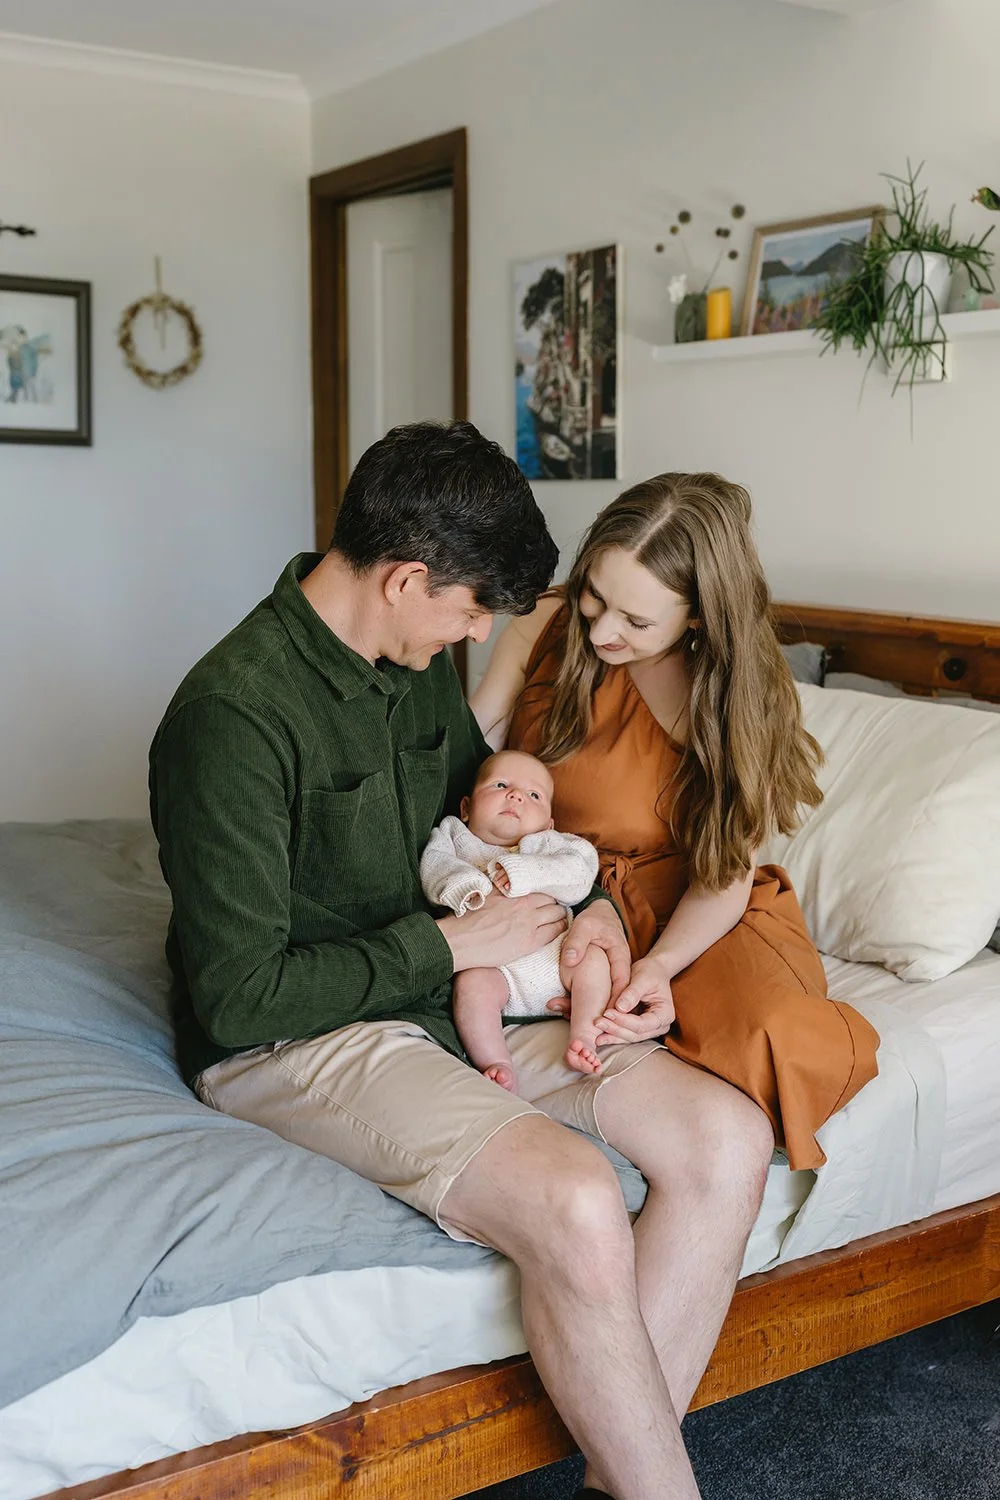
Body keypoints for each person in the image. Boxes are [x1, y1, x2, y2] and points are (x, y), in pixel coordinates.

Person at [150, 423, 775, 1500]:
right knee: (577, 1196)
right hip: (304, 1031)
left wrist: (586, 915)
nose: (480, 632)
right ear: (403, 578)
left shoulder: (413, 661)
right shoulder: (233, 714)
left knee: (727, 1138)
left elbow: (484, 826)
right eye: (473, 607)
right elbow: (241, 994)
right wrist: (446, 943)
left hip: (453, 995)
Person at [472, 470, 881, 1176]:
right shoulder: (543, 621)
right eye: (595, 597)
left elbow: (726, 871)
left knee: (773, 1038)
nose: (600, 630)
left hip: (691, 907)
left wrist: (661, 966)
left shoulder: (729, 700)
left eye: (635, 622)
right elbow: (469, 756)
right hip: (556, 885)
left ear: (697, 615)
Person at [420, 748, 610, 1090]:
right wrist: (467, 889)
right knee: (471, 986)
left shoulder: (552, 844)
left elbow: (580, 874)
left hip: (556, 957)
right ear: (465, 809)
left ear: (549, 823)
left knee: (592, 959)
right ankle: (496, 1061)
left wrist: (524, 873)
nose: (515, 796)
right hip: (495, 970)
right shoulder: (453, 836)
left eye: (533, 795)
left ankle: (584, 1033)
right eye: (500, 785)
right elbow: (435, 868)